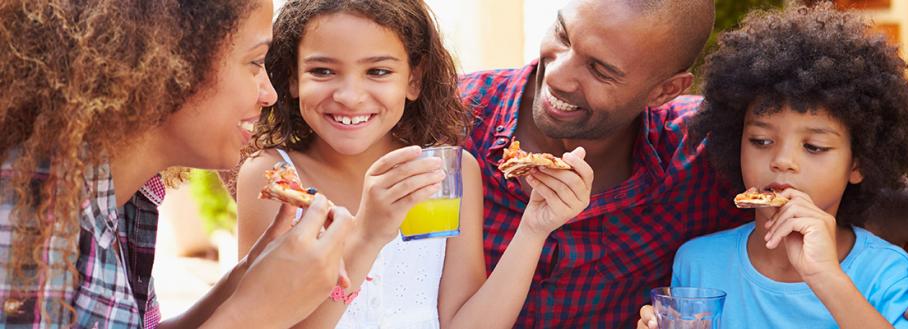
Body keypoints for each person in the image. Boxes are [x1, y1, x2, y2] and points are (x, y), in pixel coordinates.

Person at [457, 0, 908, 327]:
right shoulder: (451, 120)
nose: (557, 75)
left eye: (601, 69)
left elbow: (868, 196)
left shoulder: (697, 149)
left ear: (666, 90)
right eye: (562, 34)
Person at [236, 1, 593, 328]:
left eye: (377, 71)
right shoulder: (275, 180)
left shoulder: (444, 173)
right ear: (292, 79)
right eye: (323, 71)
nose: (349, 96)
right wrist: (367, 237)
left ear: (414, 79)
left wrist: (533, 230)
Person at [0, 1, 353, 328]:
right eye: (255, 63)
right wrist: (255, 313)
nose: (270, 94)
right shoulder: (30, 209)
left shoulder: (124, 198)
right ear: (170, 65)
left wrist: (245, 279)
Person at [636, 4, 908, 328]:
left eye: (814, 147)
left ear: (858, 163)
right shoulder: (698, 262)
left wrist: (825, 277)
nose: (782, 161)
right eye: (760, 141)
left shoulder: (888, 273)